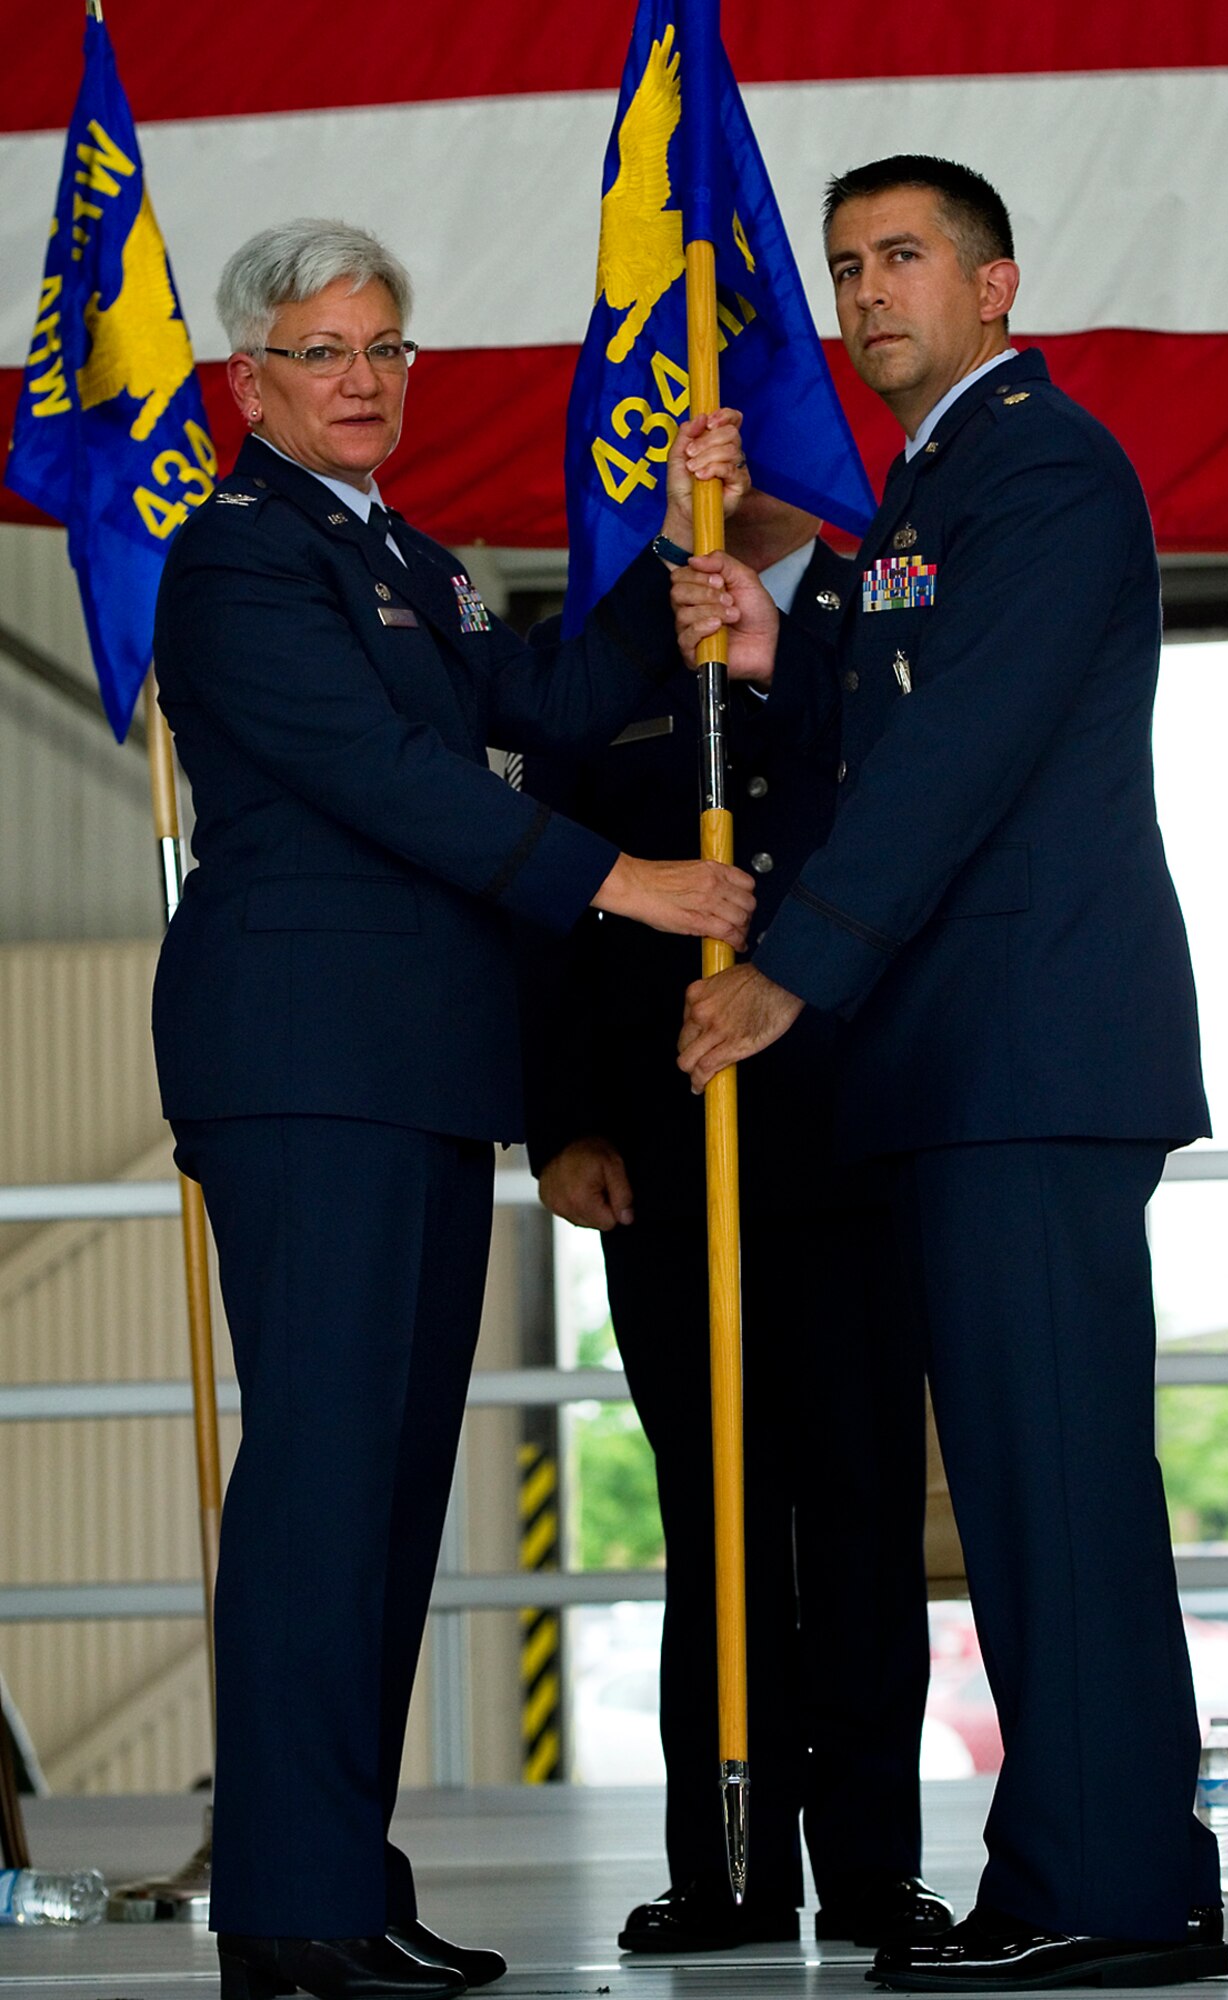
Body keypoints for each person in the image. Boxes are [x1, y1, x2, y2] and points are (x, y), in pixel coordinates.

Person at [151, 217, 754, 2000]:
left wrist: (665, 554)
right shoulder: (240, 558)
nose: (361, 381)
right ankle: (283, 1903)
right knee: (325, 1485)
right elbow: (385, 776)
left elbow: (552, 700)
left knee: (390, 1489)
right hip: (304, 1061)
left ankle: (342, 1874)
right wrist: (619, 886)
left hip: (408, 1067)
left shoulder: (402, 553)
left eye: (384, 351)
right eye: (324, 353)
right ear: (249, 379)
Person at [670, 156, 1228, 1990]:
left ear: (995, 285)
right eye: (843, 267)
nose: (865, 291)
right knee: (1015, 1486)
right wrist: (770, 647)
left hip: (1031, 1046)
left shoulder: (1043, 467)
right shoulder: (930, 485)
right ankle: (1075, 1868)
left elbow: (961, 756)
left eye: (902, 257)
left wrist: (790, 979)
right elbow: (873, 717)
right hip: (969, 1061)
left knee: (1053, 1481)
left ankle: (1110, 1890)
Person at [520, 491, 951, 1955]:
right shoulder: (605, 639)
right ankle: (727, 1869)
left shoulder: (871, 617)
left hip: (849, 1137)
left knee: (855, 1513)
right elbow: (547, 905)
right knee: (712, 1515)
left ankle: (878, 1870)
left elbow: (918, 846)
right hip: (662, 1144)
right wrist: (558, 1123)